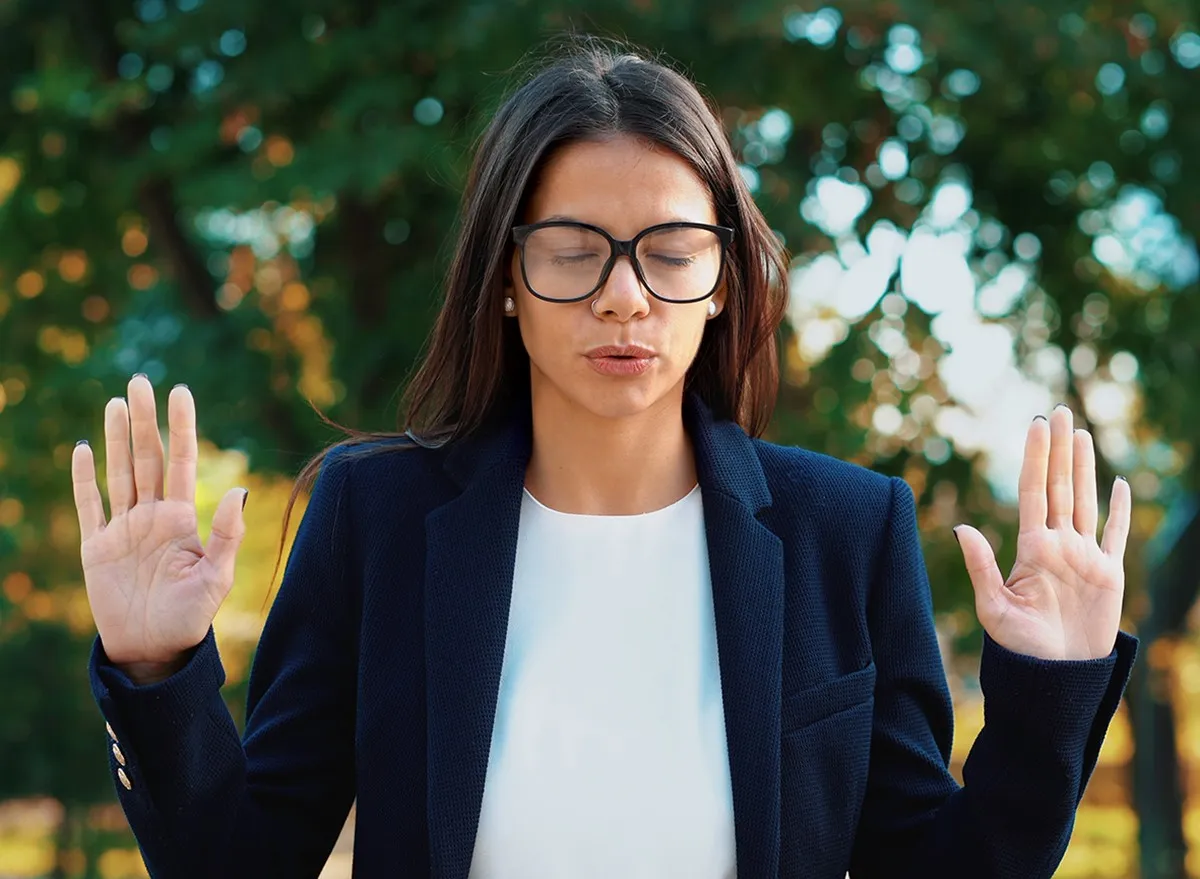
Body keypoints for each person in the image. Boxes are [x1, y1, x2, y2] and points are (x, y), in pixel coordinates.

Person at [73, 39, 1137, 879]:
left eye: (672, 254)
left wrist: (1052, 688)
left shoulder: (843, 533)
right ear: (504, 276)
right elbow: (240, 860)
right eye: (574, 253)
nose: (625, 296)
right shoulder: (377, 519)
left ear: (722, 279)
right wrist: (157, 671)